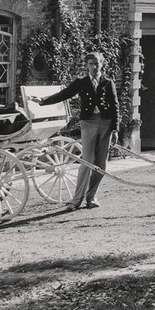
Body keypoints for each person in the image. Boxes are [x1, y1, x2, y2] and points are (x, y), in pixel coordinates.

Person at [33, 51, 119, 211]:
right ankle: (76, 200)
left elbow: (115, 106)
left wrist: (115, 129)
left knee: (101, 164)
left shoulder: (108, 83)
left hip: (105, 123)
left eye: (97, 63)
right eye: (91, 64)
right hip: (88, 123)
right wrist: (44, 101)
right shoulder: (81, 82)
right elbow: (64, 94)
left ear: (102, 64)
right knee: (87, 161)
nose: (94, 67)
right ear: (87, 66)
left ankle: (91, 197)